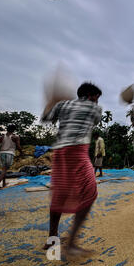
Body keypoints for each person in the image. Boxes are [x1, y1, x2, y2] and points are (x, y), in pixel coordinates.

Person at [41, 82, 102, 256]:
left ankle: (52, 238)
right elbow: (95, 119)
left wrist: (52, 101)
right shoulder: (94, 109)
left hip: (60, 153)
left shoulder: (63, 104)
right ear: (91, 96)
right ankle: (72, 243)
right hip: (77, 152)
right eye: (96, 98)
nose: (97, 102)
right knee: (90, 193)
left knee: (59, 194)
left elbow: (46, 117)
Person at [0, 124, 23, 190]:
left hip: (1, 154)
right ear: (14, 130)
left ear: (7, 129)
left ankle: (4, 183)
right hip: (9, 154)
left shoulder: (2, 137)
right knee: (5, 169)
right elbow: (18, 147)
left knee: (4, 169)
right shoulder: (15, 137)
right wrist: (21, 152)